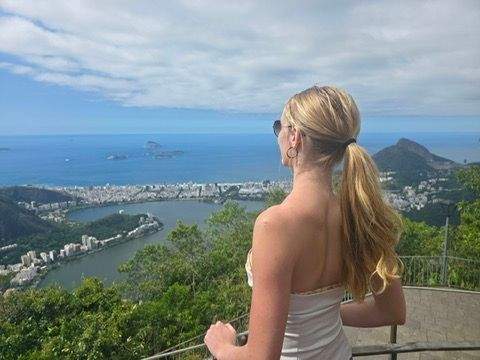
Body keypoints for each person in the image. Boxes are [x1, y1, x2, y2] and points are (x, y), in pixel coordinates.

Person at [204, 85, 406, 359]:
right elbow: (392, 311)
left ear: (294, 138)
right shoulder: (358, 214)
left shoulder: (274, 225)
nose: (279, 136)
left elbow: (261, 356)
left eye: (280, 127)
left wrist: (221, 345)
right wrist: (326, 315)